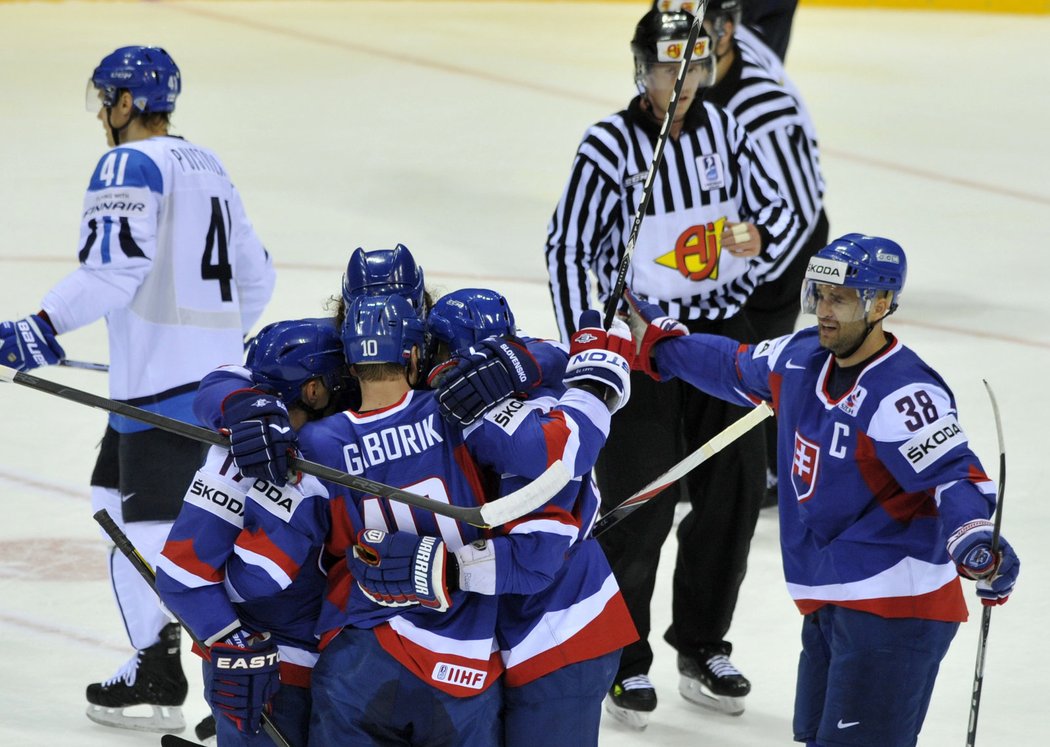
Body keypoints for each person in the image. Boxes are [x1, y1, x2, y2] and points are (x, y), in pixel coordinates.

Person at [624, 233, 1021, 746]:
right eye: (820, 295)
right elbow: (731, 365)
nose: (824, 311)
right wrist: (660, 345)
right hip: (833, 594)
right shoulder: (801, 356)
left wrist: (973, 536)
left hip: (893, 607)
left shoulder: (903, 392)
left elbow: (953, 476)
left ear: (880, 304)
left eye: (842, 298)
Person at [0, 46, 275, 732]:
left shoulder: (127, 163)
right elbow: (258, 276)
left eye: (107, 100)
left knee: (162, 543)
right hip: (203, 388)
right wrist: (214, 343)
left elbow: (112, 270)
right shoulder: (208, 163)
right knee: (108, 502)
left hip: (162, 395)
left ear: (127, 104)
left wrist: (40, 324)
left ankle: (240, 692)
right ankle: (156, 662)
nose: (102, 113)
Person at [543, 6, 799, 726]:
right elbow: (568, 249)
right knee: (640, 503)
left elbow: (777, 211)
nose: (682, 82)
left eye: (694, 66)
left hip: (721, 337)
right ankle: (623, 659)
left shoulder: (726, 129)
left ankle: (702, 643)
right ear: (641, 69)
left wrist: (757, 236)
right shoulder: (608, 147)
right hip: (643, 348)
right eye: (667, 67)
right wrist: (589, 340)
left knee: (734, 493)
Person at [427, 289, 637, 746]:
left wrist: (437, 568)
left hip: (561, 635)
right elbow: (552, 352)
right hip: (522, 630)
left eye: (436, 351)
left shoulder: (522, 418)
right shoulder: (525, 384)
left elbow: (533, 560)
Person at [156, 318, 346, 746]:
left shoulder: (312, 445)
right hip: (273, 666)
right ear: (314, 390)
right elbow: (184, 573)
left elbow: (228, 377)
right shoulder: (243, 461)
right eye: (341, 381)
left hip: (307, 661)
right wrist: (234, 644)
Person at [688, 0, 829, 506]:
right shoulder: (686, 79)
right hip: (729, 247)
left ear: (725, 32)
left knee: (754, 361)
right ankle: (712, 460)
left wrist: (753, 278)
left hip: (782, 255)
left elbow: (803, 208)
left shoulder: (762, 107)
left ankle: (767, 468)